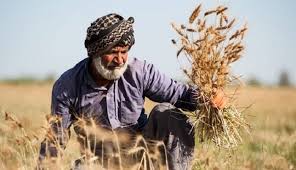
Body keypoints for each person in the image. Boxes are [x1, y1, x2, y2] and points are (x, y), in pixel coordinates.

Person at [38, 13, 227, 170]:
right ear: (95, 52)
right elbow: (55, 138)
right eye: (113, 52)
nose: (120, 60)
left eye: (124, 51)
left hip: (144, 156)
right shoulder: (67, 86)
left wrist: (206, 99)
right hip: (101, 162)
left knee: (166, 113)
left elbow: (179, 94)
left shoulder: (139, 71)